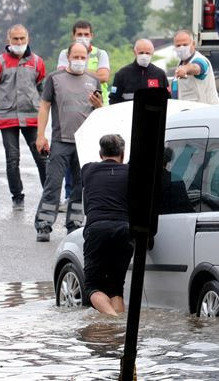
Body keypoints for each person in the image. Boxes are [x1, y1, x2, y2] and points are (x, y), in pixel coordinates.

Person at [33, 42, 103, 242]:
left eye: (83, 57)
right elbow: (44, 107)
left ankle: (74, 225)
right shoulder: (55, 79)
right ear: (68, 56)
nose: (79, 60)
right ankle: (44, 225)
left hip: (84, 142)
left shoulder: (93, 80)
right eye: (76, 56)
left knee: (81, 187)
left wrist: (100, 106)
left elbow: (100, 111)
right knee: (53, 184)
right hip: (60, 141)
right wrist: (40, 135)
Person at [0, 24, 48, 210]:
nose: (19, 42)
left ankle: (49, 194)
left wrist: (38, 108)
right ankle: (17, 195)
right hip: (7, 118)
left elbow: (43, 89)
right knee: (12, 158)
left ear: (28, 39)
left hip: (31, 117)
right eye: (15, 39)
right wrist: (1, 106)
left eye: (22, 39)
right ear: (8, 41)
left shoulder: (37, 62)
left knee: (41, 156)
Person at [56, 20, 111, 204]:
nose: (83, 37)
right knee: (71, 152)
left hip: (97, 107)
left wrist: (80, 70)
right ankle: (70, 196)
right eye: (79, 34)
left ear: (92, 35)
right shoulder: (65, 53)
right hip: (72, 107)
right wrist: (89, 72)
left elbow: (104, 76)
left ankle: (93, 195)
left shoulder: (100, 53)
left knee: (95, 152)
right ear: (73, 36)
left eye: (86, 34)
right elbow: (62, 74)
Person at [80, 134, 134, 315]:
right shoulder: (131, 172)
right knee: (116, 288)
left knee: (92, 287)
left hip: (96, 229)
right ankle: (119, 331)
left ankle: (114, 321)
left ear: (100, 153)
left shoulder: (88, 170)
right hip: (124, 229)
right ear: (123, 153)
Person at [109, 39, 169, 105]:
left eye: (147, 53)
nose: (144, 56)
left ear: (152, 53)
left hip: (154, 114)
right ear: (135, 52)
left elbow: (168, 98)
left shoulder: (160, 74)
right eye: (141, 53)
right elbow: (113, 100)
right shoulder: (122, 74)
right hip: (128, 114)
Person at [172, 30, 219, 105]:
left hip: (206, 112)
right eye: (178, 45)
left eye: (185, 45)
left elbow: (196, 67)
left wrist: (185, 69)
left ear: (193, 44)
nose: (181, 48)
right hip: (187, 111)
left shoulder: (201, 60)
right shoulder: (180, 64)